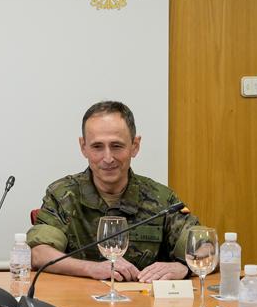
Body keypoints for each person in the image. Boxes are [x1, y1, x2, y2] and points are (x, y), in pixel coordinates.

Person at [27, 101, 199, 282]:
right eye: (97, 147)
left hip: (142, 305)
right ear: (83, 147)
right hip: (77, 302)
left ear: (135, 145)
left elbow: (206, 246)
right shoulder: (63, 195)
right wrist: (90, 268)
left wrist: (184, 267)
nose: (108, 158)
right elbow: (39, 254)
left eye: (116, 146)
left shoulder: (162, 200)